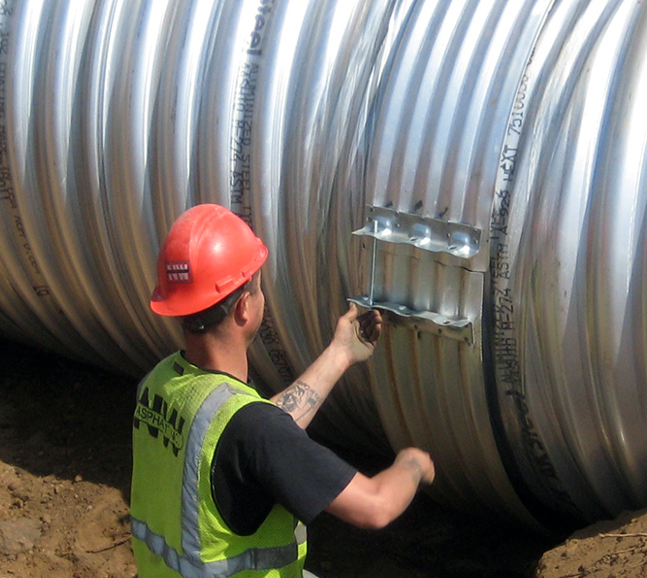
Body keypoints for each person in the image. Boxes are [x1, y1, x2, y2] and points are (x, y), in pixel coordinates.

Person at [129, 203, 436, 578]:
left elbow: (251, 437)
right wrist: (413, 464)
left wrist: (340, 353)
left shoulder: (161, 381)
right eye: (259, 289)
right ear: (244, 307)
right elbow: (375, 506)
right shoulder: (253, 431)